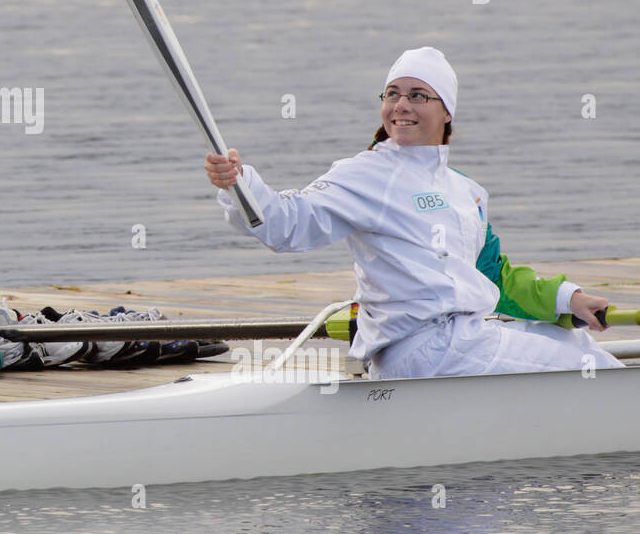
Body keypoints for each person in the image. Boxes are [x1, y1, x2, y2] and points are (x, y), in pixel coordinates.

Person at [204, 46, 622, 380]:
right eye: (392, 94)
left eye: (417, 95)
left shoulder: (466, 193)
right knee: (596, 369)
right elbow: (284, 225)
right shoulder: (366, 173)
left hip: (464, 342)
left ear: (446, 112)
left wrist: (570, 298)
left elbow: (495, 276)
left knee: (579, 346)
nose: (401, 105)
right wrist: (238, 183)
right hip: (418, 350)